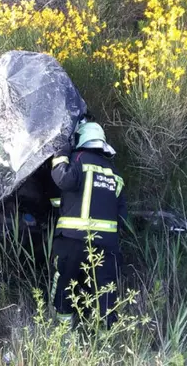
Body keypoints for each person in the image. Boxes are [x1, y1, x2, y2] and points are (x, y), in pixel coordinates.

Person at [49, 121, 127, 328]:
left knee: (65, 282)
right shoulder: (115, 172)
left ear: (80, 139)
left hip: (73, 239)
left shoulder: (78, 159)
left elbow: (63, 179)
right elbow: (121, 213)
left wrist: (60, 153)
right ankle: (105, 335)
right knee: (105, 289)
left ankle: (63, 333)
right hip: (107, 244)